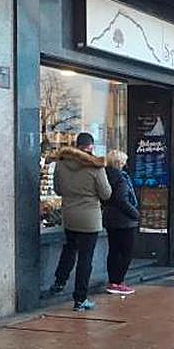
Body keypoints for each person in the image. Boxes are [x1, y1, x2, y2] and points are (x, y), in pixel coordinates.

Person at [48, 132, 111, 311]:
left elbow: (58, 189)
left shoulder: (61, 164)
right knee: (86, 258)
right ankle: (80, 298)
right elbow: (106, 193)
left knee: (69, 249)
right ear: (90, 147)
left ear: (76, 146)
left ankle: (59, 282)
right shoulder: (95, 166)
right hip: (89, 218)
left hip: (69, 215)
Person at [102, 149, 139, 296]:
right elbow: (122, 199)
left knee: (114, 250)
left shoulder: (104, 175)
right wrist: (135, 213)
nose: (125, 164)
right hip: (124, 220)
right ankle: (118, 281)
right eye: (123, 161)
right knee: (126, 251)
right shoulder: (121, 178)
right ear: (119, 163)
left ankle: (113, 281)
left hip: (110, 218)